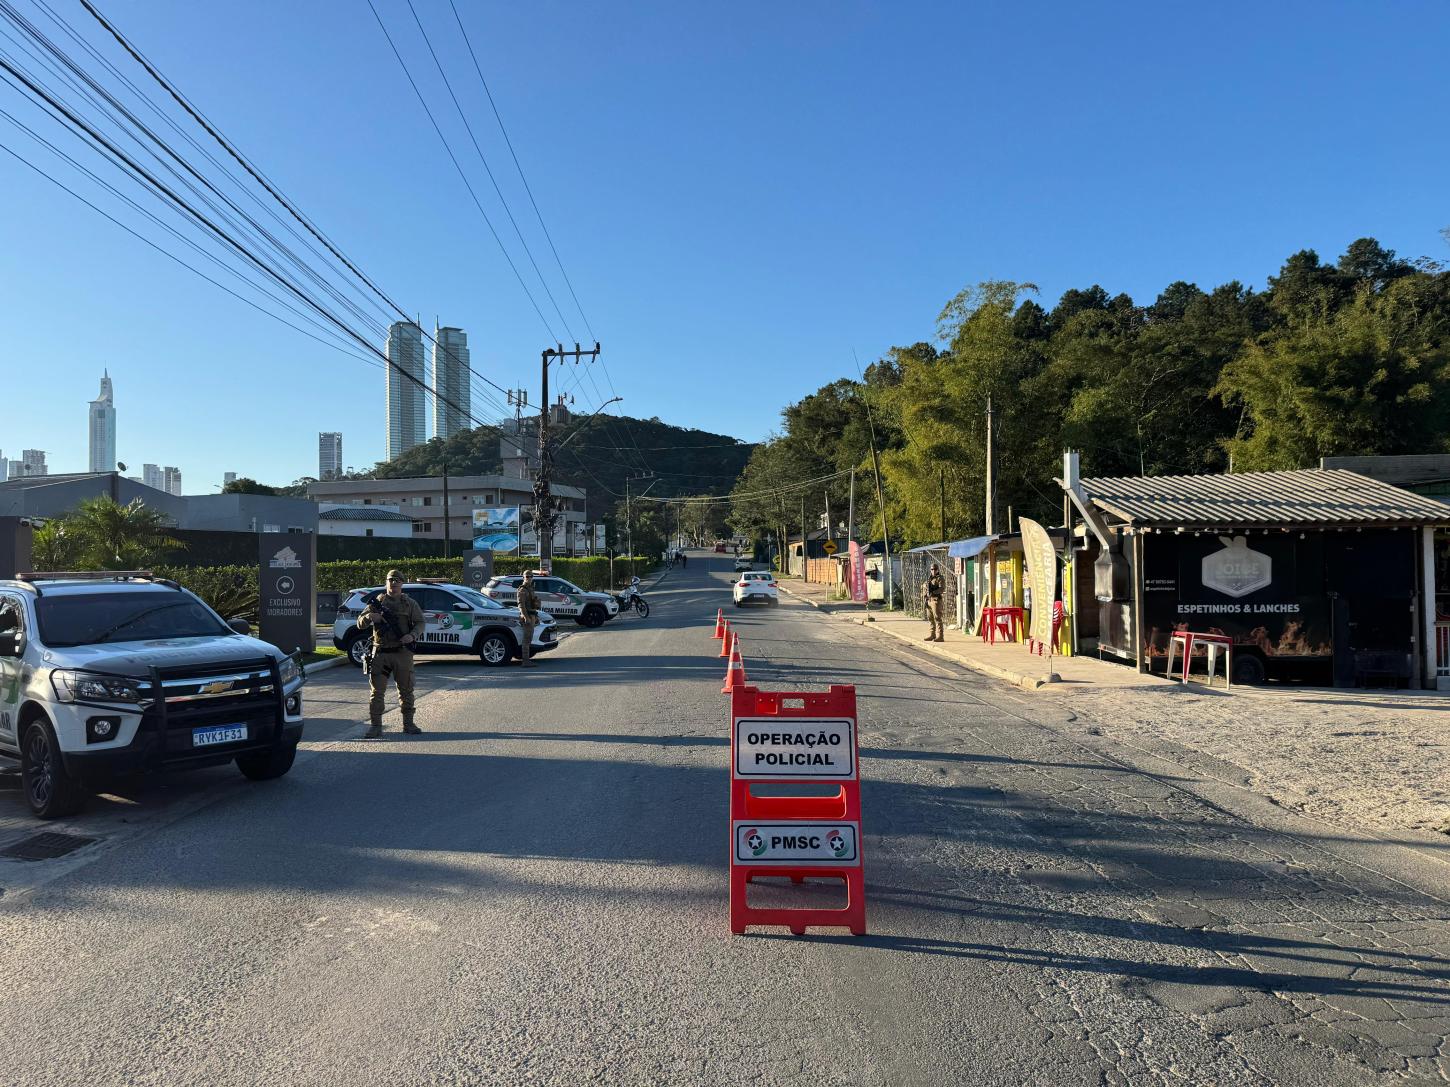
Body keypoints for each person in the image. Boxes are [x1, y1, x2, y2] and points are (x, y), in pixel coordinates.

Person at [358, 570, 425, 738]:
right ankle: (375, 726)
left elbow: (420, 622)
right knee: (377, 692)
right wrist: (370, 617)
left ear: (402, 583)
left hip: (402, 653)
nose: (393, 583)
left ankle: (408, 724)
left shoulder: (409, 604)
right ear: (386, 582)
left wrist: (412, 636)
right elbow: (359, 623)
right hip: (380, 653)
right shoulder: (377, 602)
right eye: (390, 580)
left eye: (397, 581)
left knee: (406, 690)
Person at [517, 569, 542, 667]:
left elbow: (532, 603)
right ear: (523, 577)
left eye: (531, 576)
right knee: (526, 639)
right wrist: (525, 617)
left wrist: (535, 616)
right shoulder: (522, 590)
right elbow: (521, 605)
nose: (529, 578)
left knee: (530, 638)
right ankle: (525, 661)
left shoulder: (531, 588)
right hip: (527, 616)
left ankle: (527, 660)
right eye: (527, 576)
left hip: (532, 615)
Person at [923, 562, 945, 642]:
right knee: (930, 618)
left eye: (935, 569)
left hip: (936, 600)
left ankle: (940, 636)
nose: (933, 571)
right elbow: (925, 588)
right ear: (930, 570)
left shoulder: (940, 578)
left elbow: (942, 589)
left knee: (937, 618)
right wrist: (925, 595)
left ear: (937, 570)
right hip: (929, 600)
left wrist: (934, 592)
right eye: (932, 569)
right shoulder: (929, 578)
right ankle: (932, 635)